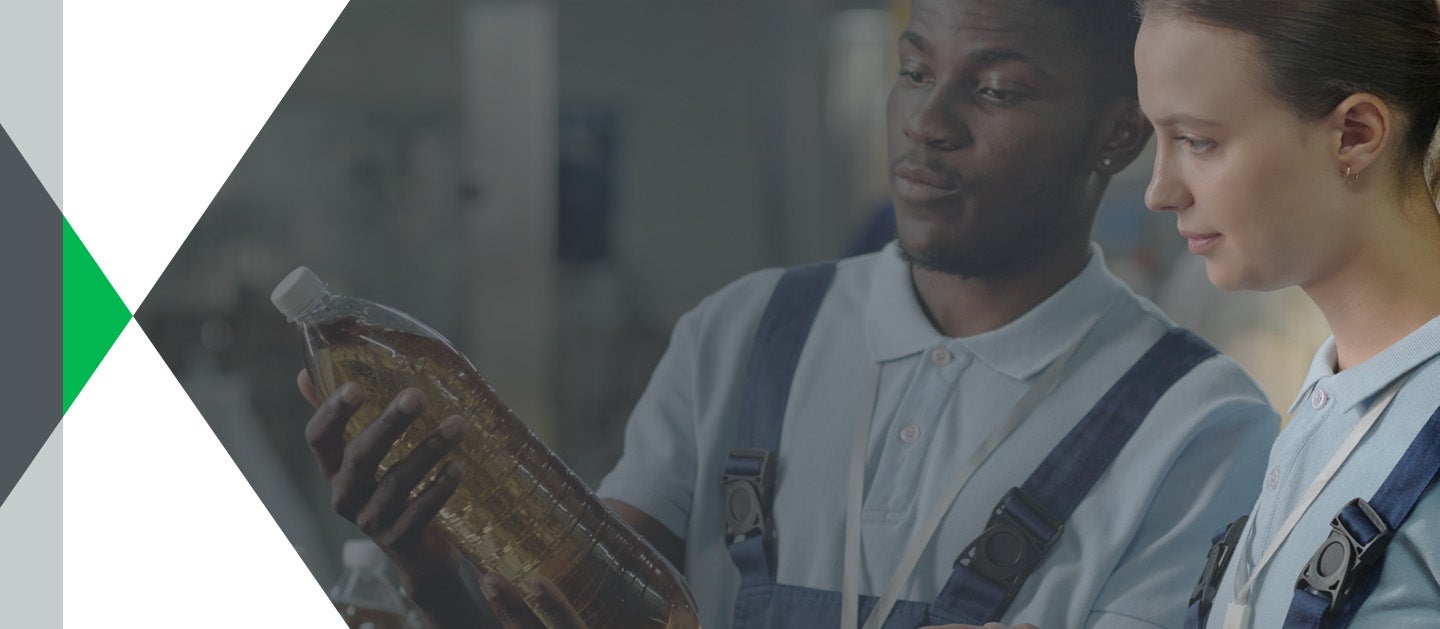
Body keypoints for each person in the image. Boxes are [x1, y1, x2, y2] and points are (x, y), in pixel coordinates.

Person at [300, 1, 1280, 627]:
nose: (928, 122)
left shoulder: (1195, 430)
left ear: (1117, 132)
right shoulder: (743, 335)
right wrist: (432, 574)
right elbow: (584, 608)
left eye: (995, 89)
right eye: (912, 70)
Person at [1133, 1, 1440, 627]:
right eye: (1157, 138)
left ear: (1355, 132)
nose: (1160, 191)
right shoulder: (1333, 396)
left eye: (1197, 140)